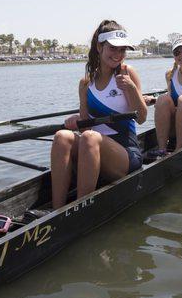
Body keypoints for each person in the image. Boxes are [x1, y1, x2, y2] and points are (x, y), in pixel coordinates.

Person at [50, 20, 148, 209]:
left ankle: (80, 208)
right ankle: (57, 210)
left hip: (126, 153)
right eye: (113, 48)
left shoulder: (127, 73)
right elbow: (86, 126)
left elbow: (142, 118)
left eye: (122, 50)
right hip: (92, 146)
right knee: (62, 136)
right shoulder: (86, 83)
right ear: (99, 47)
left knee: (89, 137)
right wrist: (78, 121)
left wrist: (132, 89)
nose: (118, 55)